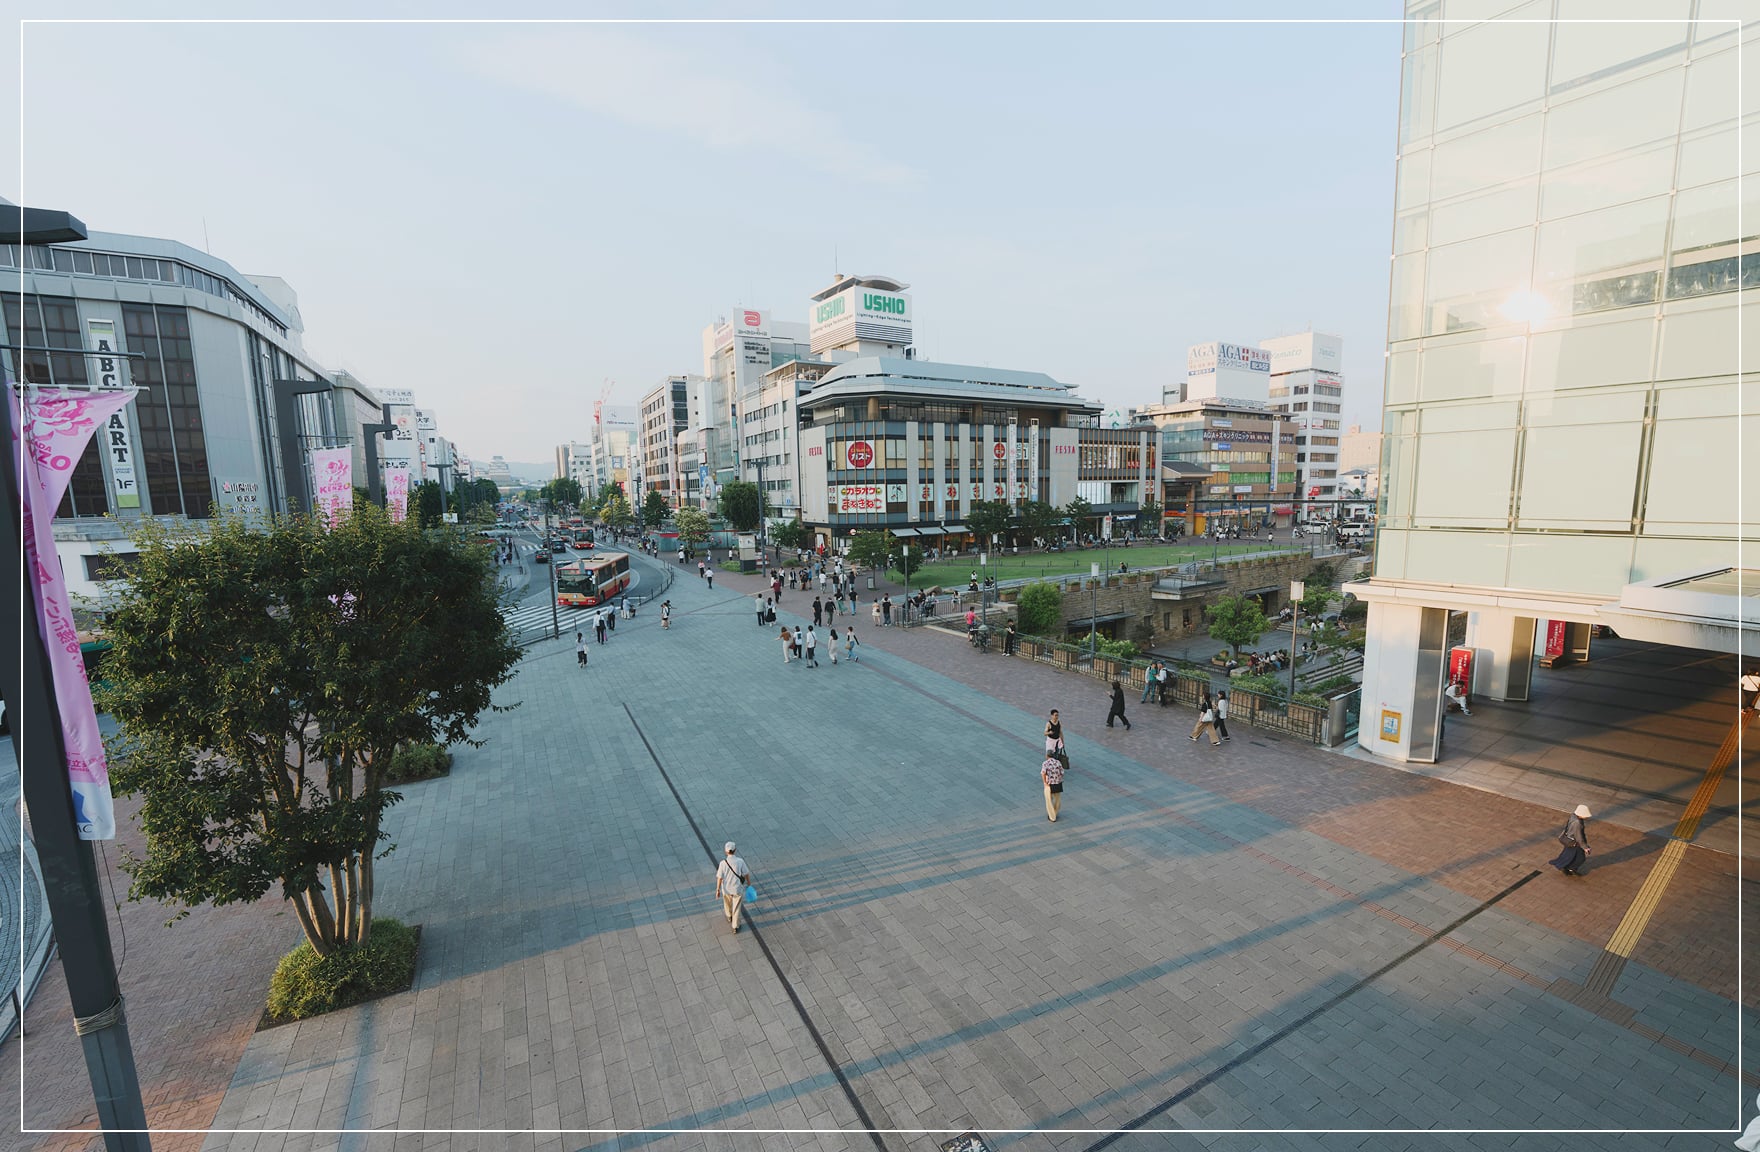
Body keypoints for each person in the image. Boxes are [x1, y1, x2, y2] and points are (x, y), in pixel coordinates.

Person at [714, 841, 752, 933]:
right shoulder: (740, 861)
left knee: (727, 903)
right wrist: (749, 884)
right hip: (737, 889)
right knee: (736, 907)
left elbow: (719, 877)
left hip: (726, 889)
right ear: (735, 850)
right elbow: (746, 873)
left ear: (726, 851)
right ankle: (735, 926)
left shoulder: (723, 863)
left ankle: (728, 916)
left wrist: (718, 889)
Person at [1549, 804, 1593, 876]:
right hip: (1574, 843)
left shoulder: (1573, 816)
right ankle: (1570, 868)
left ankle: (1566, 867)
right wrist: (1585, 847)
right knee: (1580, 858)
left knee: (1568, 855)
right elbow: (1579, 837)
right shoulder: (1577, 823)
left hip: (1569, 841)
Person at [1041, 753, 1065, 822]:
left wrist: (1045, 782)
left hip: (1049, 785)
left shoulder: (1045, 763)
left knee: (1049, 801)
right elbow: (1062, 773)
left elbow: (1043, 773)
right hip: (1058, 784)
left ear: (1047, 756)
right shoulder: (1058, 762)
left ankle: (1052, 817)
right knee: (1057, 800)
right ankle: (1055, 812)